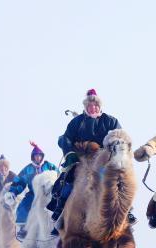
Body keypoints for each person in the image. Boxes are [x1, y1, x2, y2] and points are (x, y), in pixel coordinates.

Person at [48, 89, 126, 237]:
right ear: (85, 106)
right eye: (90, 105)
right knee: (67, 180)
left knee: (115, 181)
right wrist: (70, 154)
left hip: (103, 160)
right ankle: (60, 212)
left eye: (96, 105)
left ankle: (126, 212)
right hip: (81, 159)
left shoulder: (110, 121)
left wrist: (113, 152)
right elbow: (65, 139)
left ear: (100, 106)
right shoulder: (76, 122)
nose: (93, 107)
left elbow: (119, 137)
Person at [6, 142, 58, 241]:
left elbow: (58, 176)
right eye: (36, 156)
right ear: (33, 157)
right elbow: (20, 181)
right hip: (34, 193)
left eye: (39, 156)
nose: (38, 158)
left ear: (42, 156)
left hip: (49, 192)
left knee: (59, 204)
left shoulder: (49, 166)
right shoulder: (28, 169)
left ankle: (60, 225)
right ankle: (23, 229)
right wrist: (13, 192)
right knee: (24, 205)